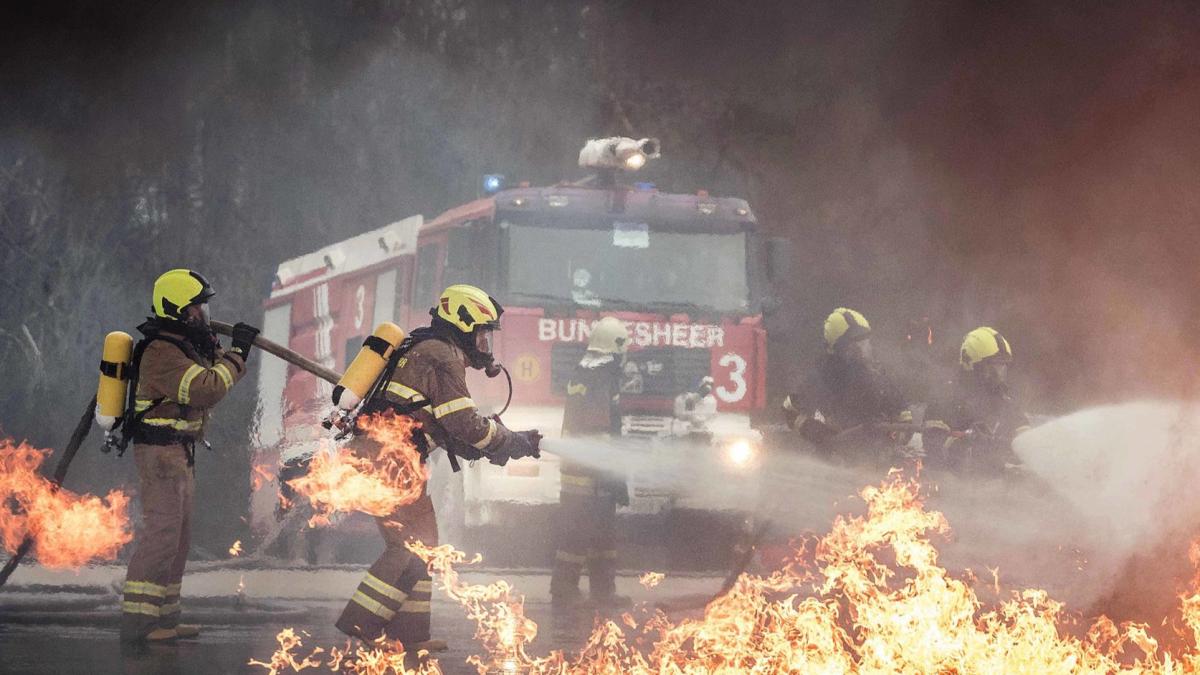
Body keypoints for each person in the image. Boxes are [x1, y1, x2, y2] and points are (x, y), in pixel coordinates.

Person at [333, 284, 541, 651]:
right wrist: (510, 441)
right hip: (391, 461)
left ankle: (410, 636)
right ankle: (361, 622)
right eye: (481, 333)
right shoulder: (442, 356)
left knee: (425, 545)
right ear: (462, 325)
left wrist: (498, 443)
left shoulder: (425, 347)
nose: (485, 344)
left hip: (394, 460)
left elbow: (444, 424)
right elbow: (463, 423)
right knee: (408, 546)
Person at [120, 269, 258, 643]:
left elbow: (214, 367)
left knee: (178, 539)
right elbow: (206, 388)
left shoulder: (186, 344)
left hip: (179, 454)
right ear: (180, 310)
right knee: (162, 536)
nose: (205, 313)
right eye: (198, 307)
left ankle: (165, 619)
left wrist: (228, 349)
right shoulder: (161, 350)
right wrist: (239, 354)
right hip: (159, 453)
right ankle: (139, 624)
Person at [550, 316, 630, 608]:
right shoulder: (602, 377)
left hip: (578, 467)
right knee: (583, 532)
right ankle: (567, 588)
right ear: (617, 348)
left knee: (596, 532)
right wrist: (612, 475)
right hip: (593, 472)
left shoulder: (583, 372)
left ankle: (599, 591)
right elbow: (600, 429)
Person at [781, 308, 912, 460]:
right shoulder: (822, 376)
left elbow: (901, 410)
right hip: (837, 462)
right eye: (861, 344)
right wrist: (819, 434)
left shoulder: (875, 373)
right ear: (844, 348)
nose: (868, 348)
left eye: (867, 342)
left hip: (879, 460)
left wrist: (898, 436)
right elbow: (790, 409)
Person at [923, 327, 1030, 474]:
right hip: (950, 487)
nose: (998, 377)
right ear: (971, 365)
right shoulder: (945, 398)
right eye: (992, 369)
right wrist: (968, 444)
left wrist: (1020, 444)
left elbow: (1022, 429)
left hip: (993, 486)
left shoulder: (1003, 400)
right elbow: (933, 445)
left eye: (1002, 368)